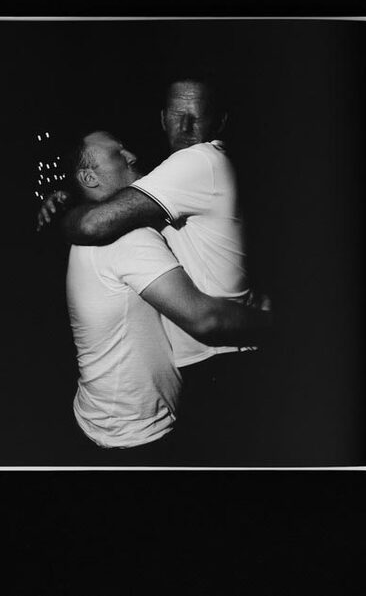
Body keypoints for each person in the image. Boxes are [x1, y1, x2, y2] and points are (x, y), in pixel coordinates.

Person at [62, 130, 270, 459]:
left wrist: (61, 202)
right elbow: (205, 320)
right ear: (89, 178)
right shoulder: (125, 238)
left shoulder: (104, 229)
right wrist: (274, 323)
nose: (131, 155)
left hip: (100, 417)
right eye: (117, 154)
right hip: (133, 436)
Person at [40, 77, 252, 368]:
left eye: (198, 115)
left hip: (223, 356)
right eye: (177, 115)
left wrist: (274, 321)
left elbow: (91, 223)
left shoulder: (201, 159)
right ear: (163, 119)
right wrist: (69, 198)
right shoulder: (170, 177)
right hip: (212, 358)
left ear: (219, 122)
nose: (186, 127)